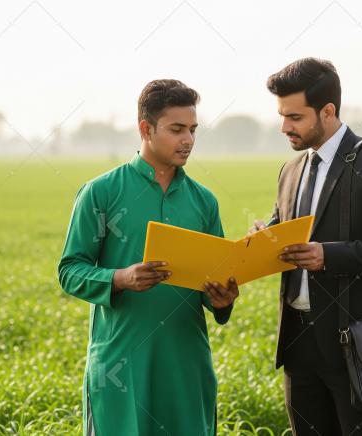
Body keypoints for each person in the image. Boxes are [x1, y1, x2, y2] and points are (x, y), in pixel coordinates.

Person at [58, 79, 239, 436]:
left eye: (192, 130)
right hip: (121, 366)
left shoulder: (204, 201)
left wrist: (221, 300)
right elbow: (70, 270)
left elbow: (212, 277)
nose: (188, 140)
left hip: (186, 365)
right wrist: (120, 278)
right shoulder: (102, 192)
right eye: (176, 129)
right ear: (146, 128)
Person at [252, 58, 362, 435]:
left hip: (358, 346)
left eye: (294, 117)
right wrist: (264, 240)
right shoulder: (290, 170)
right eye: (282, 116)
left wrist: (328, 256)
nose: (284, 127)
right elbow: (288, 233)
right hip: (297, 345)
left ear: (327, 111)